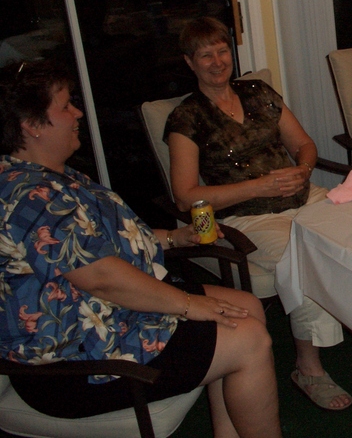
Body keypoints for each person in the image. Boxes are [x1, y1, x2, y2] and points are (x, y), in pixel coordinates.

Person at [0, 59, 282, 437]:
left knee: (246, 307)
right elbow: (100, 277)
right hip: (71, 362)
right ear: (32, 125)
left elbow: (105, 243)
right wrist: (188, 304)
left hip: (108, 315)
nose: (78, 113)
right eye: (65, 106)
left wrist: (175, 237)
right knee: (248, 340)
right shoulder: (30, 196)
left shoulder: (55, 177)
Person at [164, 17, 352, 411]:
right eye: (205, 55)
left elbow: (304, 144)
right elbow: (184, 198)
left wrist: (303, 169)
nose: (217, 61)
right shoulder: (187, 117)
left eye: (222, 51)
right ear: (189, 62)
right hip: (249, 217)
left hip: (303, 196)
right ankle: (308, 368)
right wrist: (257, 187)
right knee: (305, 257)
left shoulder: (258, 92)